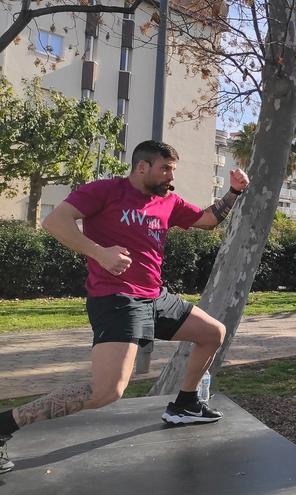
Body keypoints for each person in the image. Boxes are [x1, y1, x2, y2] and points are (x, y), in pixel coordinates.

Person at [0, 141, 250, 474]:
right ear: (142, 167)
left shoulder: (167, 200)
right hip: (116, 298)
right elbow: (55, 222)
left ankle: (185, 404)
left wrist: (234, 192)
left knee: (212, 333)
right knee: (107, 391)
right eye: (165, 169)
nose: (170, 177)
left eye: (173, 170)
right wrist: (99, 252)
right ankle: (5, 424)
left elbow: (207, 219)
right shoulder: (105, 191)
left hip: (154, 297)